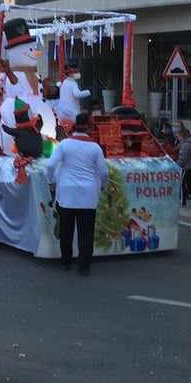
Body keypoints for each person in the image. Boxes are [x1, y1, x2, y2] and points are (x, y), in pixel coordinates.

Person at [46, 113, 108, 276]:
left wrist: (51, 182)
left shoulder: (64, 144)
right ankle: (84, 266)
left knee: (66, 231)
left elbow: (51, 165)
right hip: (88, 196)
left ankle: (66, 261)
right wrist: (102, 186)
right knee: (86, 233)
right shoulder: (95, 147)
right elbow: (104, 172)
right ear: (88, 127)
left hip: (66, 195)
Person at [176, 129, 191, 206]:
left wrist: (176, 165)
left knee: (182, 184)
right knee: (189, 184)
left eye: (178, 137)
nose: (178, 139)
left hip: (187, 167)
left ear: (182, 136)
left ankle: (182, 201)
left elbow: (183, 159)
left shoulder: (185, 146)